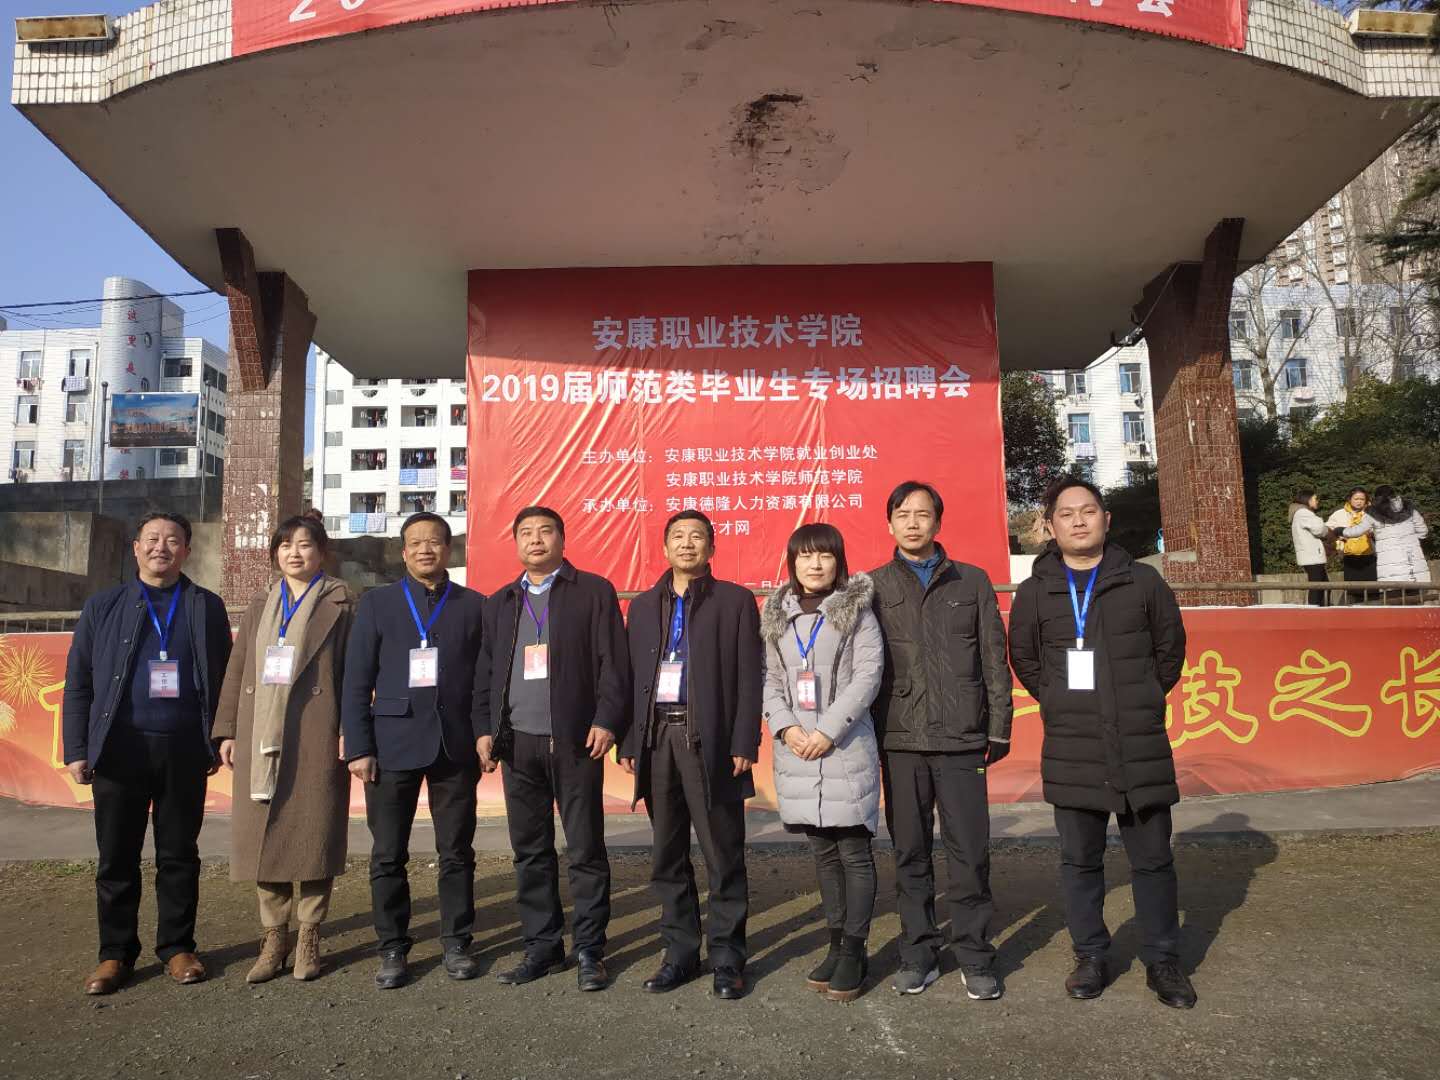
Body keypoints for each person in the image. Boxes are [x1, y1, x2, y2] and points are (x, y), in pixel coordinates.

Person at [1008, 478, 1196, 1009]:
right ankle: (1090, 955)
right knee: (1080, 861)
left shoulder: (1143, 582)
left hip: (1138, 743)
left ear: (1106, 520)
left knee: (1153, 860)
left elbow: (1170, 652)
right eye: (1066, 514)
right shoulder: (1036, 590)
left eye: (1088, 511)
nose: (1078, 521)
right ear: (1051, 526)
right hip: (1072, 745)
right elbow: (1025, 658)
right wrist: (1059, 699)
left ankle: (1163, 959)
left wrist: (1139, 697)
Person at [62, 512, 232, 995]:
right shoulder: (104, 606)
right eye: (152, 539)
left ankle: (178, 947)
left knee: (179, 854)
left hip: (183, 749)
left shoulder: (206, 606)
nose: (162, 547)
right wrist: (77, 748)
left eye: (173, 540)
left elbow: (224, 678)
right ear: (135, 547)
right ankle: (115, 954)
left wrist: (221, 736)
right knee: (116, 857)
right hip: (120, 750)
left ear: (187, 550)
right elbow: (79, 682)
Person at [474, 506, 629, 992]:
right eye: (526, 532)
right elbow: (486, 672)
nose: (536, 539)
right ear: (516, 542)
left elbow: (614, 663)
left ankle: (589, 950)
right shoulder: (500, 601)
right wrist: (485, 729)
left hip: (576, 742)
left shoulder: (593, 591)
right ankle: (541, 947)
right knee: (530, 851)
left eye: (545, 531)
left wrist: (606, 719)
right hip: (517, 744)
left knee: (585, 849)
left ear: (563, 539)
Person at [867, 481, 1012, 1000]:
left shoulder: (971, 581)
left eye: (922, 514)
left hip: (960, 738)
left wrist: (999, 726)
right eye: (903, 514)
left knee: (969, 851)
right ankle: (919, 952)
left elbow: (994, 658)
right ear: (889, 523)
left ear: (938, 522)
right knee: (910, 852)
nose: (913, 522)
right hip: (900, 738)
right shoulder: (872, 586)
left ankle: (975, 954)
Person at [619, 510, 762, 1000]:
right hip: (657, 738)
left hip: (711, 742)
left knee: (723, 853)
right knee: (667, 854)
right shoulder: (643, 607)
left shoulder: (734, 601)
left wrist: (744, 741)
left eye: (696, 536)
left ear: (711, 548)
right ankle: (679, 953)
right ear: (664, 548)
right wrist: (630, 741)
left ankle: (727, 958)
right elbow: (631, 678)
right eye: (677, 536)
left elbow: (749, 676)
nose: (686, 544)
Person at [341, 511, 486, 989]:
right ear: (404, 552)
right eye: (416, 542)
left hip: (455, 745)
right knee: (387, 854)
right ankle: (392, 948)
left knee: (456, 852)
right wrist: (359, 746)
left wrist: (485, 735)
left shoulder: (473, 605)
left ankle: (457, 942)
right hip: (391, 744)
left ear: (449, 549)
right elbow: (356, 680)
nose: (426, 549)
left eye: (435, 541)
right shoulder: (377, 603)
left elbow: (484, 682)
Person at [213, 513, 354, 983]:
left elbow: (354, 674)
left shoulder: (342, 601)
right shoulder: (261, 603)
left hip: (317, 731)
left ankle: (310, 934)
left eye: (306, 544)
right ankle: (274, 937)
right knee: (263, 836)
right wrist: (228, 730)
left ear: (322, 552)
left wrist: (351, 730)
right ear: (275, 553)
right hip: (261, 734)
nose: (295, 553)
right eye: (286, 544)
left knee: (315, 833)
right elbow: (237, 669)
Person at [761, 523, 883, 1002]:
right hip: (797, 751)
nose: (815, 564)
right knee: (823, 854)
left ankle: (855, 949)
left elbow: (868, 676)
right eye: (805, 556)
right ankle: (836, 945)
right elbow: (770, 679)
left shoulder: (857, 613)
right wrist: (786, 727)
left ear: (839, 561)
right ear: (792, 562)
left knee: (853, 852)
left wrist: (827, 731)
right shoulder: (777, 615)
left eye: (825, 555)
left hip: (844, 748)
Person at [1341, 485, 1431, 591]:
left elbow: (1357, 531)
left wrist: (1340, 531)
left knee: (1395, 597)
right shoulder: (1410, 510)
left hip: (1389, 564)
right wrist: (1410, 540)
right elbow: (1423, 531)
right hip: (1412, 559)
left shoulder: (1372, 513)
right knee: (1418, 595)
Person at [1327, 488, 1376, 602]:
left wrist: (1373, 534)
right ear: (1349, 499)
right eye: (1356, 499)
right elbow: (1328, 530)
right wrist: (1339, 537)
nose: (1359, 502)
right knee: (1352, 589)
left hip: (1369, 555)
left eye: (1362, 499)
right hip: (1349, 555)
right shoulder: (1339, 514)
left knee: (1372, 589)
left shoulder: (1372, 513)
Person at [1288, 489, 1331, 607]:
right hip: (1312, 556)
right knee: (1318, 587)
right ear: (1308, 500)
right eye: (1315, 498)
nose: (1317, 501)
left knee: (1323, 585)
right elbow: (1319, 529)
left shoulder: (1300, 513)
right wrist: (1325, 527)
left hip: (1310, 556)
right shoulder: (1304, 513)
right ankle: (1315, 611)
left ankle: (1318, 609)